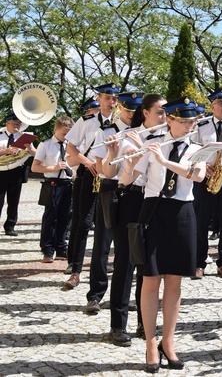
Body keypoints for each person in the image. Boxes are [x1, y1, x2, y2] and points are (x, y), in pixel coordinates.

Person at [119, 96, 206, 373]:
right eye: (184, 121)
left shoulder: (197, 148)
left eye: (192, 121)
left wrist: (164, 162)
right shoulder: (152, 144)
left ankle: (168, 342)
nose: (190, 125)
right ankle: (150, 342)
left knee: (174, 282)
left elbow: (197, 175)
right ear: (170, 119)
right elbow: (127, 180)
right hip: (153, 211)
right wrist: (129, 162)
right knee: (150, 279)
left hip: (182, 213)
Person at [101, 93, 167, 346]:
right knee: (125, 263)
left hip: (156, 203)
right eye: (160, 112)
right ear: (146, 113)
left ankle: (145, 321)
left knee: (149, 265)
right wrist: (115, 152)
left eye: (165, 112)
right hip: (130, 200)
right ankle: (118, 325)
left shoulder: (167, 137)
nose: (164, 117)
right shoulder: (131, 136)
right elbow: (112, 173)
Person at [83, 91, 140, 315]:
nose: (131, 116)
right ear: (120, 110)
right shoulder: (106, 131)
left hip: (134, 189)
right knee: (102, 244)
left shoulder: (142, 132)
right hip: (111, 187)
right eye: (127, 111)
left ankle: (125, 295)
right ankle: (95, 294)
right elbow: (98, 165)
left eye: (135, 112)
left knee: (130, 247)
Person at [64, 83, 119, 291]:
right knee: (83, 223)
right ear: (99, 99)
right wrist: (87, 163)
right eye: (107, 98)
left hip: (110, 177)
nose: (111, 102)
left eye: (115, 99)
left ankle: (102, 267)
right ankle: (76, 270)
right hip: (89, 175)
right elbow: (71, 147)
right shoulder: (86, 121)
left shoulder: (120, 123)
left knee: (108, 225)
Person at [191, 89, 222, 280]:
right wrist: (202, 165)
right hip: (206, 177)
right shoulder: (202, 125)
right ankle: (199, 262)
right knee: (201, 221)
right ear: (212, 105)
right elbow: (192, 150)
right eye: (221, 103)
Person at [32, 115, 75, 262]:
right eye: (63, 134)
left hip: (67, 184)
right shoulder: (46, 144)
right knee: (50, 218)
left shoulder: (71, 145)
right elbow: (34, 167)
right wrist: (53, 167)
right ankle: (47, 249)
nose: (65, 137)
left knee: (65, 217)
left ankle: (61, 247)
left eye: (68, 134)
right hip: (52, 184)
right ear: (55, 129)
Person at [0, 113, 37, 236]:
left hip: (17, 170)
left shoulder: (24, 137)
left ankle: (10, 226)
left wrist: (30, 148)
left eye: (18, 124)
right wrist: (6, 151)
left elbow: (35, 154)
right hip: (1, 170)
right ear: (7, 124)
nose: (17, 126)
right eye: (14, 124)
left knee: (14, 200)